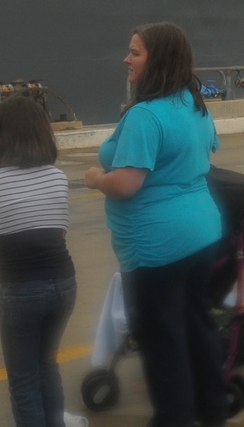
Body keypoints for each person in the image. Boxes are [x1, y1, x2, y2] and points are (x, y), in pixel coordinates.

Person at [84, 23, 227, 425]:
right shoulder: (192, 104)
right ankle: (212, 409)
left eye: (135, 52)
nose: (126, 59)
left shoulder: (146, 115)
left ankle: (174, 417)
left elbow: (127, 184)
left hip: (155, 248)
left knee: (163, 343)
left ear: (157, 59)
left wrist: (96, 178)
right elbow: (201, 155)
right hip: (201, 234)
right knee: (196, 325)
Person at [0, 97, 77, 427]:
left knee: (23, 380)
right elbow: (56, 232)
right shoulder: (57, 178)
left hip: (21, 291)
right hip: (64, 284)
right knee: (47, 366)